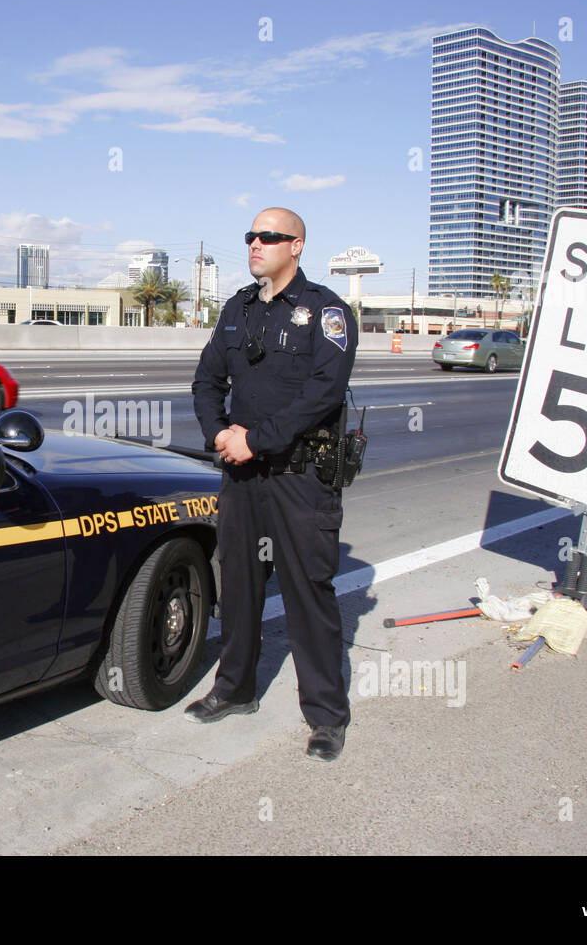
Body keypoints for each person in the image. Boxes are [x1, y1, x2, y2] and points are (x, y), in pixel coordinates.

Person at [188, 207, 357, 762]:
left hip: (300, 478)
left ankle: (327, 716)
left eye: (269, 236)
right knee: (237, 587)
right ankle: (234, 691)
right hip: (241, 475)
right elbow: (208, 378)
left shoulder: (327, 311)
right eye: (251, 236)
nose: (255, 243)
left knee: (309, 593)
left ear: (297, 245)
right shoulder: (236, 308)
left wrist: (255, 439)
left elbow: (323, 395)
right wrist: (219, 434)